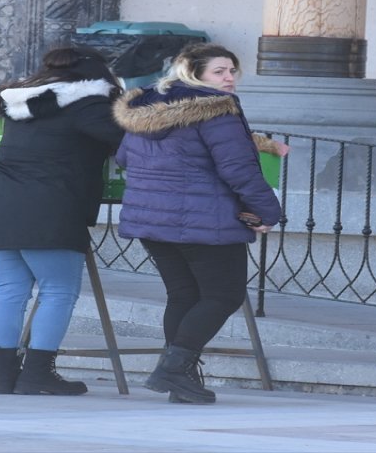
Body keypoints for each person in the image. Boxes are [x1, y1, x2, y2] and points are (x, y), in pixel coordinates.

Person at [112, 43, 284, 404]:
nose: (229, 78)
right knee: (223, 295)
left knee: (185, 295)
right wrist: (269, 212)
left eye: (233, 70)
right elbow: (237, 168)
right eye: (219, 71)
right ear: (191, 70)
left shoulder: (146, 107)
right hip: (204, 220)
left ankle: (180, 378)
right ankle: (174, 369)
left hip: (150, 218)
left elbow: (125, 157)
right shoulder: (216, 109)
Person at [0, 47, 124, 395]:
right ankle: (38, 372)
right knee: (58, 290)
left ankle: (3, 376)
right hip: (51, 207)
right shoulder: (90, 105)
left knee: (9, 290)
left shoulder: (22, 102)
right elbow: (131, 141)